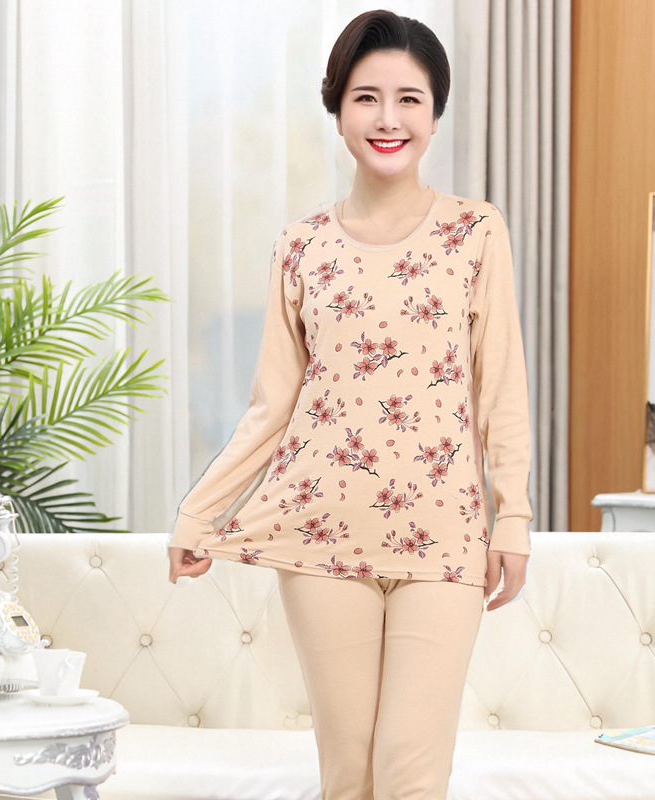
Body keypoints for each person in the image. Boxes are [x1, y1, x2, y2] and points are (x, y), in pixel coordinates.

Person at [169, 10, 532, 799]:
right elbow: (272, 406)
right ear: (337, 111)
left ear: (436, 113)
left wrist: (514, 517)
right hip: (320, 531)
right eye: (366, 98)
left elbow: (500, 387)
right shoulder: (301, 246)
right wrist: (199, 512)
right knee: (350, 773)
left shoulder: (475, 233)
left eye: (410, 98)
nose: (388, 118)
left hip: (443, 537)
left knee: (409, 770)